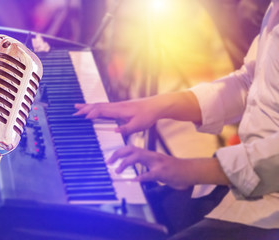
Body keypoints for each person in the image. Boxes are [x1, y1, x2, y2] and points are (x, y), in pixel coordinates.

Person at [74, 1, 279, 239]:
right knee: (109, 224)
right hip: (243, 183)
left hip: (269, 205)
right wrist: (155, 105)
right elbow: (251, 81)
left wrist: (186, 168)